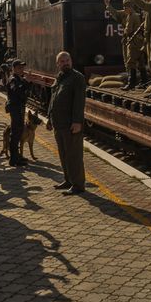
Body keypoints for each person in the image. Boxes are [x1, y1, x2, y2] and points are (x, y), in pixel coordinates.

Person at [46, 51, 87, 195]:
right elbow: (53, 99)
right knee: (64, 154)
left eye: (67, 60)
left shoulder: (77, 78)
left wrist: (77, 122)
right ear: (58, 64)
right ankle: (68, 180)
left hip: (71, 125)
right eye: (62, 61)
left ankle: (78, 185)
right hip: (59, 124)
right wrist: (49, 118)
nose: (65, 63)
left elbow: (79, 102)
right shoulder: (60, 78)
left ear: (71, 61)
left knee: (74, 155)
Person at [104, 0, 145, 91]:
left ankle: (131, 83)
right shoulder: (134, 14)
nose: (124, 9)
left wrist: (125, 36)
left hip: (132, 41)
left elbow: (129, 30)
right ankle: (143, 82)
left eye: (125, 7)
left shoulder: (131, 16)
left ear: (130, 7)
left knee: (130, 62)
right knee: (141, 62)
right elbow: (116, 13)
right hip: (139, 41)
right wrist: (108, 5)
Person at [5, 59, 30, 167]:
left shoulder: (19, 78)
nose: (22, 69)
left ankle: (17, 156)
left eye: (22, 67)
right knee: (15, 133)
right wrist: (26, 82)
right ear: (14, 69)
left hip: (19, 108)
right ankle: (13, 159)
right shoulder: (13, 79)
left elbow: (26, 90)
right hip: (15, 109)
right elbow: (17, 91)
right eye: (19, 67)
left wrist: (26, 82)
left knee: (19, 132)